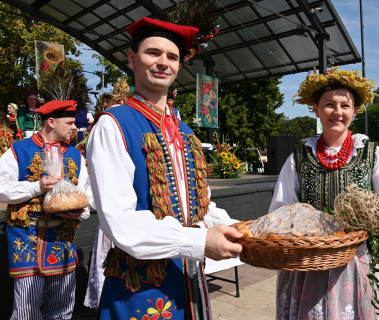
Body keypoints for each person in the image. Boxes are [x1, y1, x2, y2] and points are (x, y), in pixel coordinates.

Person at [86, 17, 242, 319]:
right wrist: (199, 240)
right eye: (152, 53)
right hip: (140, 286)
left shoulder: (184, 131)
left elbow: (201, 205)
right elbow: (122, 224)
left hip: (189, 279)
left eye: (172, 57)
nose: (163, 63)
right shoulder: (113, 123)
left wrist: (239, 230)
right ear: (132, 59)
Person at [269, 67, 379, 320]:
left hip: (361, 263)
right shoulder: (299, 158)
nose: (337, 112)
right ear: (315, 108)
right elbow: (281, 211)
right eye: (329, 104)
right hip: (310, 266)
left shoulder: (372, 154)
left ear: (355, 111)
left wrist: (373, 236)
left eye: (345, 106)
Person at [0, 100, 91, 319]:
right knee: (26, 308)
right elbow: (1, 188)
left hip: (63, 239)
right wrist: (37, 187)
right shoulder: (19, 150)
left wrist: (80, 212)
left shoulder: (75, 155)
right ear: (51, 122)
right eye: (69, 123)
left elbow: (86, 194)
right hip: (27, 238)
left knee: (62, 306)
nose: (74, 128)